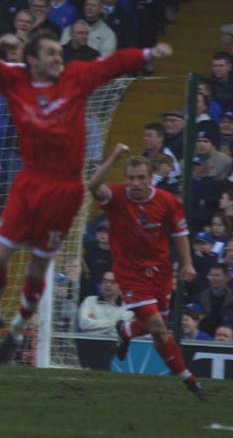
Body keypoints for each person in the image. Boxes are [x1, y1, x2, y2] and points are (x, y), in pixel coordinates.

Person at [0, 31, 173, 366]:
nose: (58, 57)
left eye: (59, 51)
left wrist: (148, 52)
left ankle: (18, 331)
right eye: (50, 52)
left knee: (37, 269)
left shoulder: (75, 78)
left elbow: (113, 64)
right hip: (30, 181)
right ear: (31, 59)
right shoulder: (15, 80)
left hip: (64, 190)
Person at [88, 144, 203, 398]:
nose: (135, 183)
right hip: (130, 274)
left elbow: (179, 233)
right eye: (130, 178)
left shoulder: (167, 201)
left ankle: (126, 330)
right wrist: (115, 157)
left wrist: (187, 263)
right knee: (159, 329)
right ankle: (189, 380)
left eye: (141, 178)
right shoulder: (117, 197)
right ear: (125, 179)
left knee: (153, 326)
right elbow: (94, 186)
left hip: (160, 273)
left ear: (151, 179)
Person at [77, 271, 133, 336]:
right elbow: (84, 325)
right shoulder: (89, 300)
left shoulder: (128, 306)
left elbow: (122, 330)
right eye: (105, 281)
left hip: (116, 344)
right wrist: (115, 324)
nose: (108, 285)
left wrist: (95, 323)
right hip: (91, 343)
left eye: (112, 282)